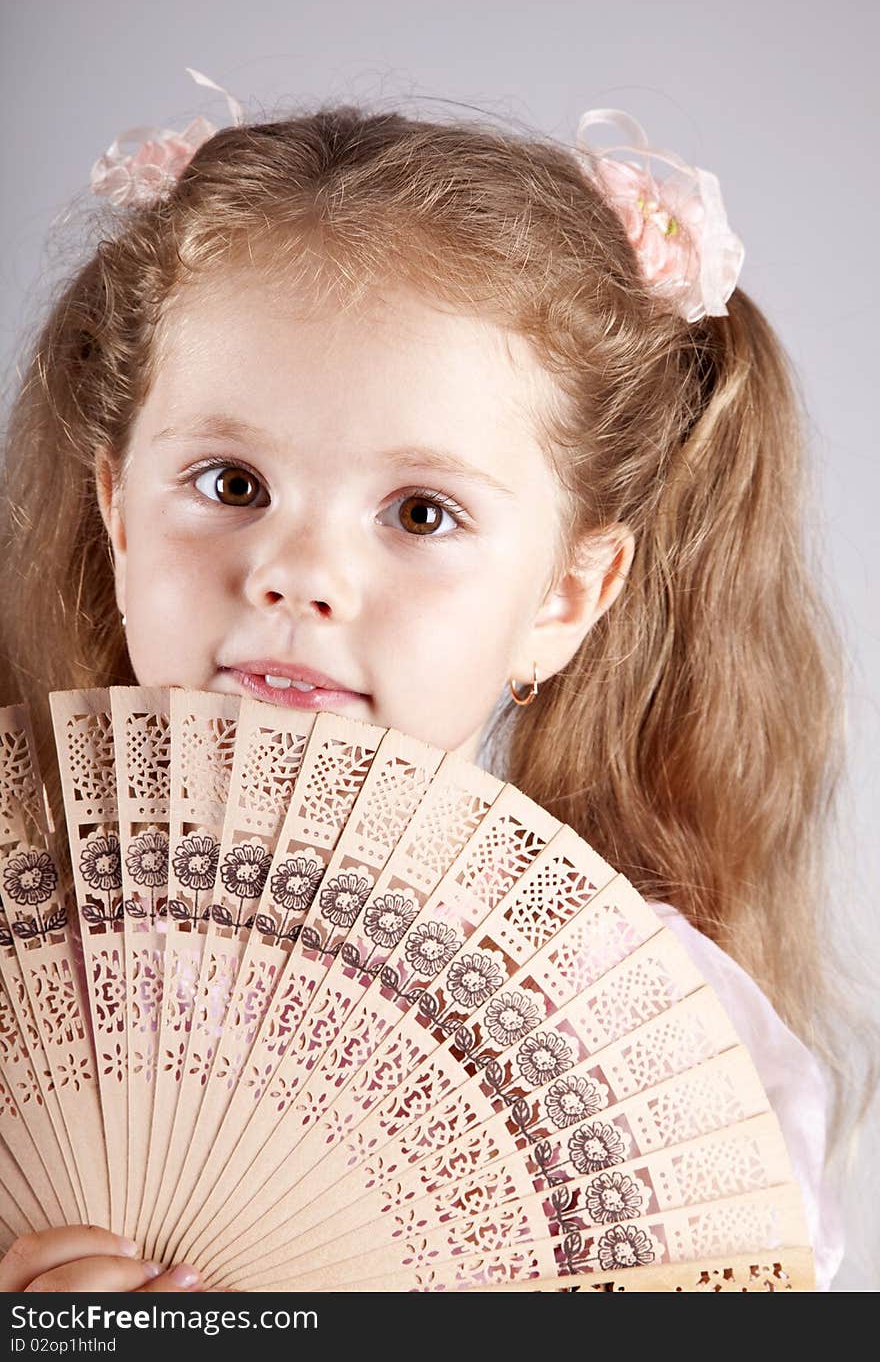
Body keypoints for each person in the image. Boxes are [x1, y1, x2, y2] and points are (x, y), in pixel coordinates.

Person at [0, 72, 864, 1292]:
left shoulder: (651, 1033)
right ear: (117, 513)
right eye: (230, 483)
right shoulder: (33, 942)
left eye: (420, 511)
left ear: (566, 596)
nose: (296, 577)